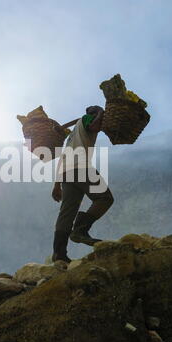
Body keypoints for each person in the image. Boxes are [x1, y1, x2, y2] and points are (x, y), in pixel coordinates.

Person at [52, 106, 114, 263]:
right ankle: (80, 229)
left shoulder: (71, 136)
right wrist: (100, 112)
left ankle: (59, 255)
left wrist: (57, 185)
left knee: (67, 212)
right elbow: (94, 125)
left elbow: (62, 159)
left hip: (66, 173)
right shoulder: (87, 120)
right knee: (105, 198)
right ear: (94, 115)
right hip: (81, 167)